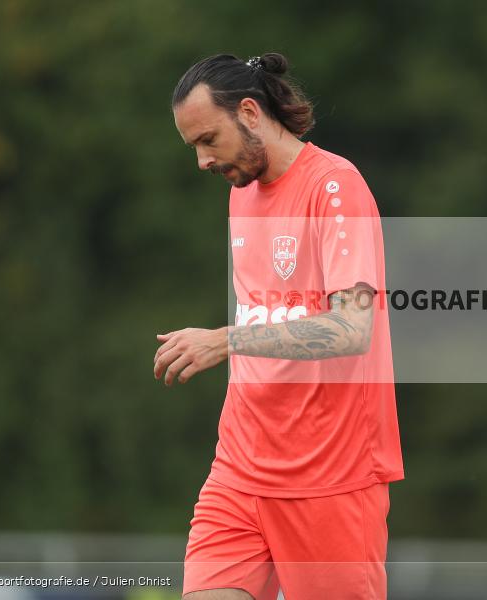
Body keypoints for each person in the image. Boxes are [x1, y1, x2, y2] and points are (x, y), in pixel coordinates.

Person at [154, 53, 404, 600]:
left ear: (249, 111)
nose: (201, 161)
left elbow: (350, 329)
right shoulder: (240, 195)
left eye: (208, 139)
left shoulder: (336, 187)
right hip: (239, 471)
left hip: (329, 479)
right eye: (192, 146)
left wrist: (225, 340)